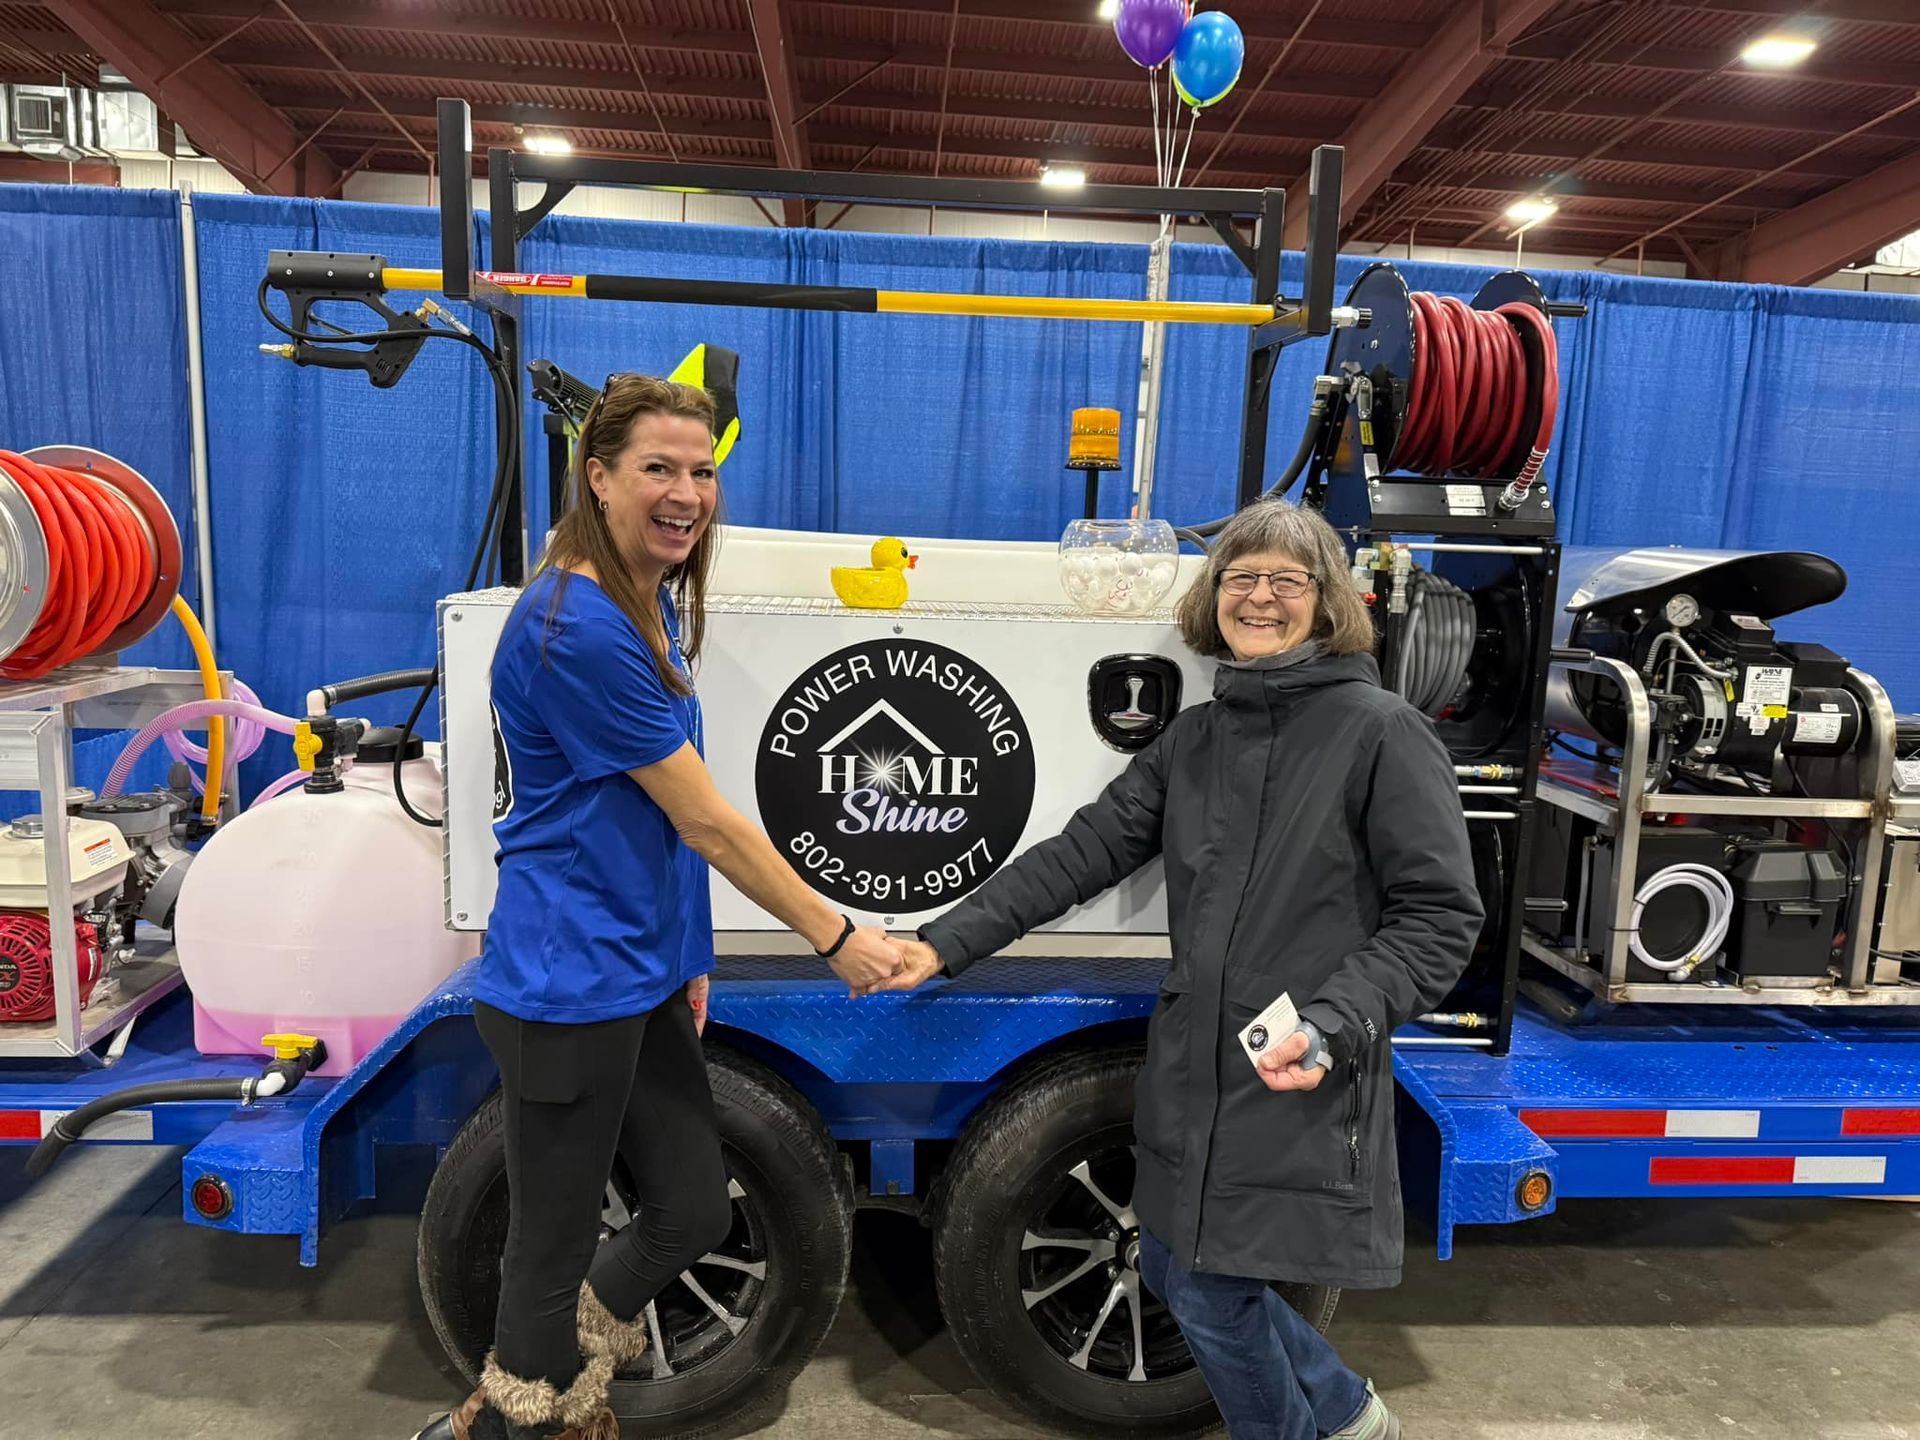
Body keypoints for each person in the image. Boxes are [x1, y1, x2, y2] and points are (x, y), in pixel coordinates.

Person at [877, 498, 1483, 1440]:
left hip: (1296, 1067)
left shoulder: (1381, 732)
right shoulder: (1198, 737)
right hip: (1192, 1069)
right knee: (1169, 1266)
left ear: (1327, 605)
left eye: (1288, 580)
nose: (1261, 597)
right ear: (1213, 598)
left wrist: (1330, 1021)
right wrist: (945, 941)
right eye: (1241, 577)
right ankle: (1351, 1415)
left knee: (1206, 1290)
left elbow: (1441, 920)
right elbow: (1082, 853)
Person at [416, 373, 905, 1440]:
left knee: (688, 1207)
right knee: (543, 1256)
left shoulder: (637, 602)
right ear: (597, 476)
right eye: (658, 469)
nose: (687, 493)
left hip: (634, 973)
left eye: (703, 470)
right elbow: (709, 824)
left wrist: (690, 955)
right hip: (567, 985)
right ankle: (507, 1421)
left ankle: (559, 1378)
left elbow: (653, 826)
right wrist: (837, 937)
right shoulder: (576, 627)